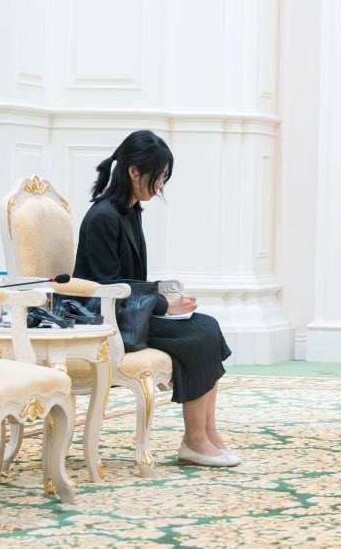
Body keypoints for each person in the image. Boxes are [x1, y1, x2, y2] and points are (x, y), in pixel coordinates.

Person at [73, 130, 238, 467]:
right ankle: (195, 440)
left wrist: (163, 293)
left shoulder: (129, 211)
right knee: (198, 335)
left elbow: (128, 281)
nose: (161, 185)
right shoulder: (103, 217)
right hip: (104, 319)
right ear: (134, 171)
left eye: (164, 177)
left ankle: (206, 433)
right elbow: (107, 286)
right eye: (159, 176)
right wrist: (163, 303)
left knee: (208, 327)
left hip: (127, 311)